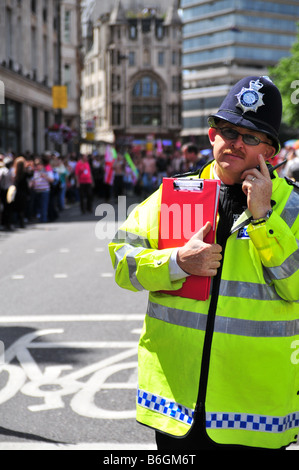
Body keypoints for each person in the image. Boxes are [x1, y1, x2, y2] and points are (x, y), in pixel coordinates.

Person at [109, 75, 299, 451]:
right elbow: (122, 262)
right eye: (228, 130)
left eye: (250, 137)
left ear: (271, 152)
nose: (235, 143)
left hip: (254, 410)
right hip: (179, 408)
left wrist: (264, 221)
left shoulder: (291, 207)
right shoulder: (176, 195)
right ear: (212, 135)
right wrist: (177, 262)